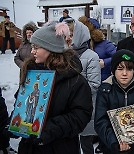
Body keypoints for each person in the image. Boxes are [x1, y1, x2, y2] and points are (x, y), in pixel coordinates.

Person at [17, 22, 93, 154]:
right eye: (32, 47)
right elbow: (21, 101)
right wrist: (16, 121)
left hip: (60, 147)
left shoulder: (75, 80)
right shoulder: (31, 74)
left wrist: (48, 130)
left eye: (36, 47)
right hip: (30, 147)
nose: (32, 51)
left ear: (50, 49)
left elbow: (80, 115)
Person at [94, 49, 134, 154]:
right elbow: (100, 122)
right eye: (120, 69)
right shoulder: (105, 90)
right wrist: (115, 142)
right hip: (112, 148)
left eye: (129, 69)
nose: (124, 73)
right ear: (113, 70)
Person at [65, 18, 101, 154]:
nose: (68, 38)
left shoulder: (91, 56)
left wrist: (72, 93)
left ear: (80, 35)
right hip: (68, 108)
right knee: (70, 142)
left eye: (72, 34)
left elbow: (94, 83)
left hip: (85, 106)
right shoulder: (64, 55)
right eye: (67, 35)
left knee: (86, 142)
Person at [79, 16, 116, 81]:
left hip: (103, 83)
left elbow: (119, 56)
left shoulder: (105, 45)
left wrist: (105, 62)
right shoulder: (80, 46)